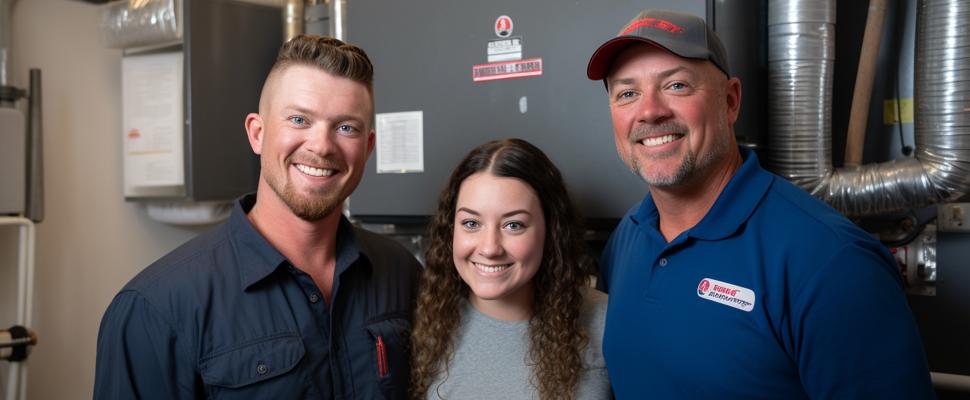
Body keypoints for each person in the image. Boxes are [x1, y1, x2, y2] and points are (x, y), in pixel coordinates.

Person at [586, 9, 935, 399]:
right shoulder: (627, 239)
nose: (649, 111)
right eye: (627, 93)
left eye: (677, 85)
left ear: (731, 101)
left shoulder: (832, 263)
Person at [94, 35, 421, 399]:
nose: (322, 146)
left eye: (346, 127)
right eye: (299, 120)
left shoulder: (401, 274)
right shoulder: (156, 308)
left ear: (368, 147)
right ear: (257, 133)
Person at [409, 138, 611, 400]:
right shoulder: (422, 322)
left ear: (551, 231)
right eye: (471, 223)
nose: (490, 248)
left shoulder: (606, 322)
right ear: (450, 230)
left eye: (513, 225)